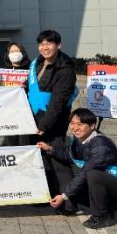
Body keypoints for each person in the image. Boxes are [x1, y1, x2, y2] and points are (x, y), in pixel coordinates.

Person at [38, 108, 117, 228]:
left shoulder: (101, 146)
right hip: (104, 182)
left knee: (92, 175)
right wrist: (50, 149)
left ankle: (102, 216)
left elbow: (86, 171)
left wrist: (63, 196)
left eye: (80, 124)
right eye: (72, 123)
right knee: (74, 187)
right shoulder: (79, 140)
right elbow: (71, 156)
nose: (75, 128)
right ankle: (107, 206)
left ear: (92, 126)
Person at [25, 29, 79, 214]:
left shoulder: (65, 69)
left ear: (59, 45)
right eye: (41, 44)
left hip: (53, 121)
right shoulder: (37, 62)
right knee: (42, 159)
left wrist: (44, 125)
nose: (44, 47)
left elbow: (58, 101)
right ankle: (47, 196)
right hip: (35, 117)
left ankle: (68, 203)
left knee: (58, 162)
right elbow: (32, 86)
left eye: (49, 43)